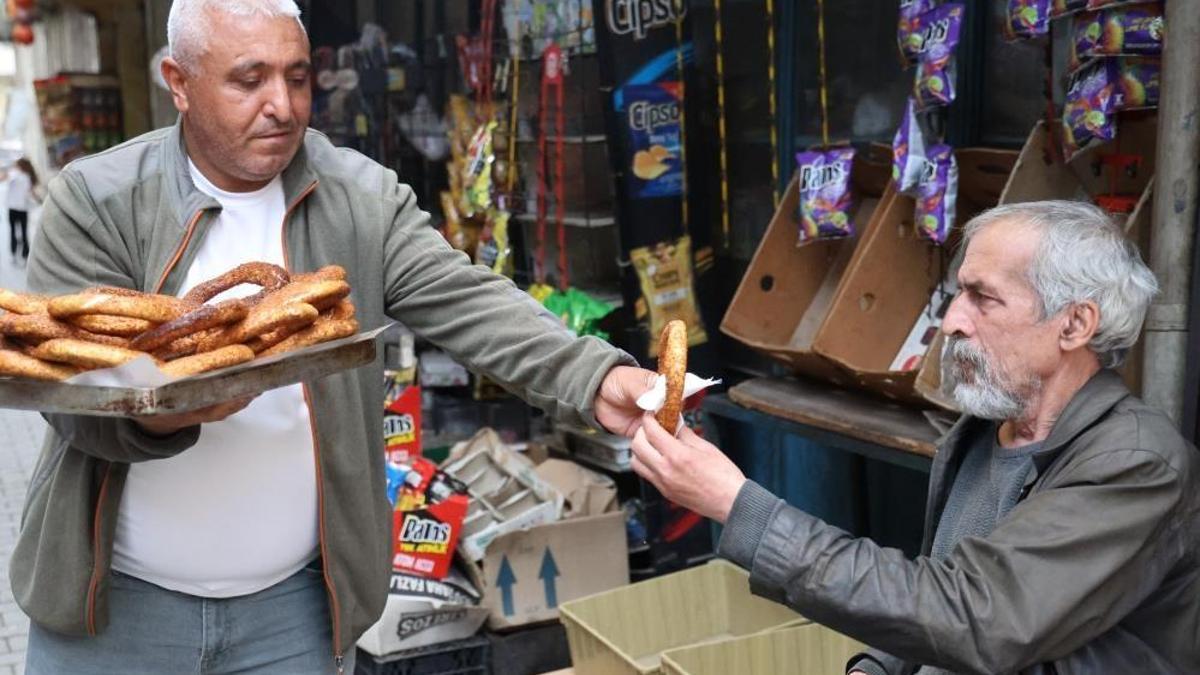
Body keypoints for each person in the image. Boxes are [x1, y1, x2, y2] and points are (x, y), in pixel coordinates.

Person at [10, 1, 656, 673]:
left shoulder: (359, 197)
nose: (282, 105)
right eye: (249, 79)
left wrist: (595, 376)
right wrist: (169, 417)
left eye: (296, 77)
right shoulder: (97, 199)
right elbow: (66, 394)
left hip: (294, 615)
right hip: (116, 611)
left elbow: (468, 298)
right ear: (178, 81)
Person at [631, 201, 1199, 674]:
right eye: (957, 294)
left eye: (984, 297)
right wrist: (876, 669)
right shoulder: (982, 434)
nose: (952, 321)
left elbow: (979, 618)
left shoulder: (1137, 467)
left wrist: (737, 506)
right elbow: (931, 593)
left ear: (1074, 325)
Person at [6, 157, 37, 262]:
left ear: (20, 166)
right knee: (24, 233)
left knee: (13, 232)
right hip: (23, 209)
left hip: (13, 209)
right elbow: (30, 193)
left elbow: (4, 178)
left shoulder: (15, 175)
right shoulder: (28, 177)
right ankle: (25, 255)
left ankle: (14, 254)